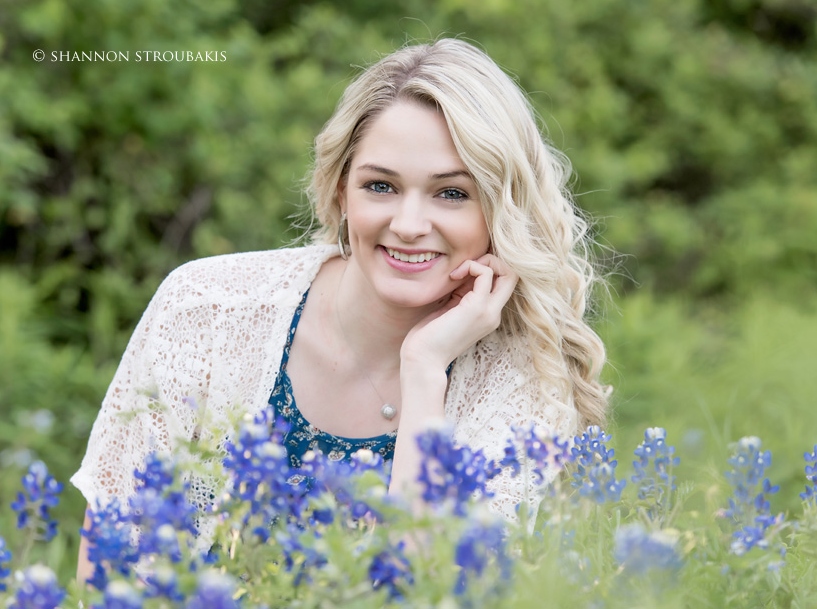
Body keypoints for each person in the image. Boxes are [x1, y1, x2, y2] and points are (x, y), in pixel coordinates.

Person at [72, 38, 609, 581]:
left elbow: (427, 589)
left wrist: (424, 369)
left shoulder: (527, 382)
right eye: (381, 186)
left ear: (501, 212)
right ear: (339, 191)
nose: (408, 224)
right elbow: (112, 561)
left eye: (452, 194)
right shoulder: (204, 309)